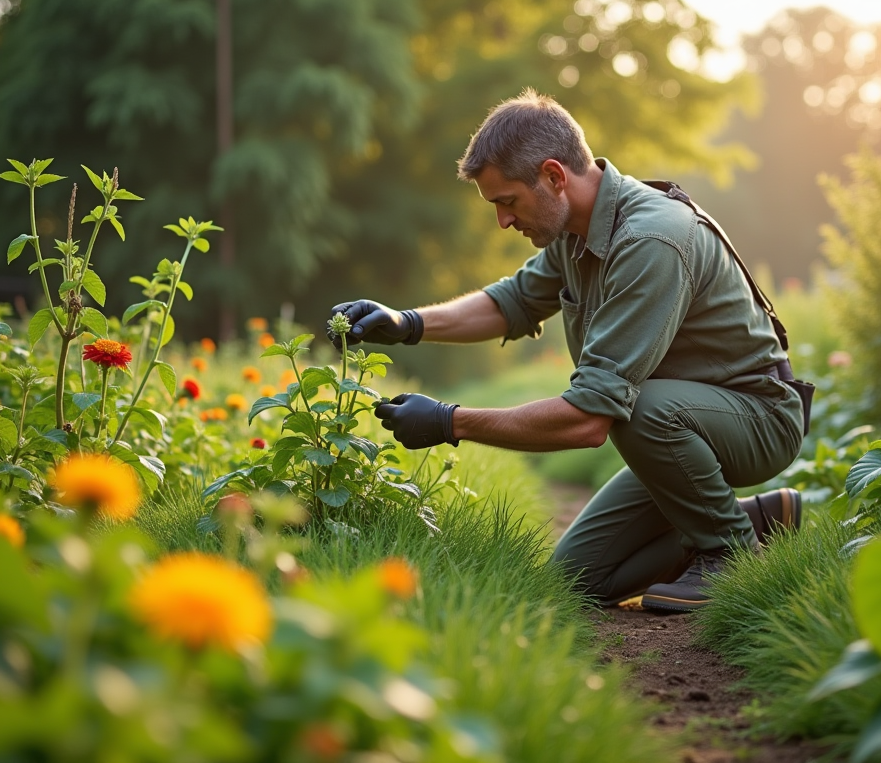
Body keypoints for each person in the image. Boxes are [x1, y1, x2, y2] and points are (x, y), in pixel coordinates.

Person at [328, 89, 804, 612]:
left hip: (754, 418)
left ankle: (729, 553)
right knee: (576, 580)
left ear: (554, 176)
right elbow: (511, 303)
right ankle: (761, 519)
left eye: (507, 202)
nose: (503, 222)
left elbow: (589, 419)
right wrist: (407, 323)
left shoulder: (651, 240)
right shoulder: (571, 231)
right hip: (682, 429)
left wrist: (449, 422)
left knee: (634, 405)